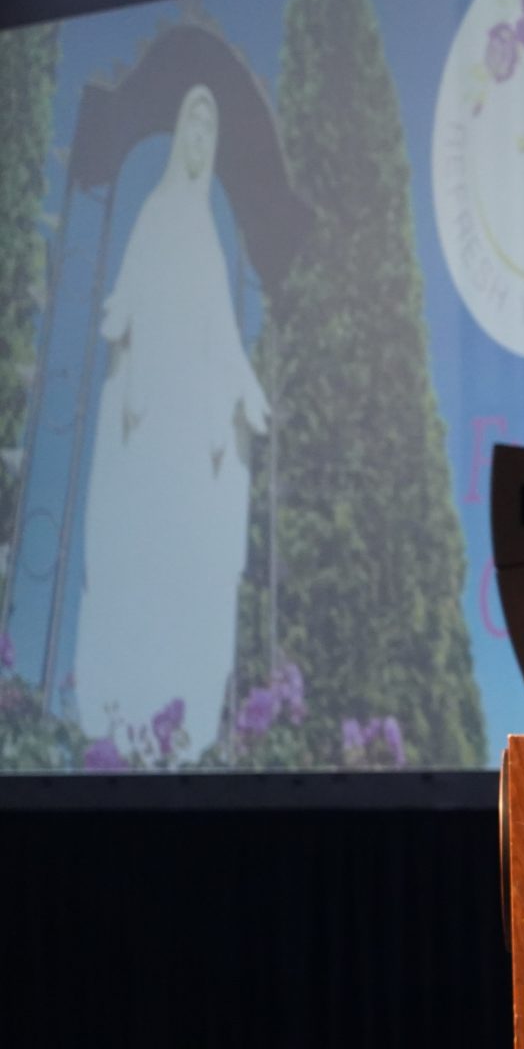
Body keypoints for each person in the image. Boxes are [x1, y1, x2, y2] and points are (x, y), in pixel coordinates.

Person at [74, 83, 269, 761]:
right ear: (178, 134)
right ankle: (127, 709)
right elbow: (128, 306)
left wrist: (243, 388)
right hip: (153, 416)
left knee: (185, 564)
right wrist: (127, 355)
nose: (198, 141)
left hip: (192, 426)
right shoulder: (158, 213)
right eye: (193, 126)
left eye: (208, 132)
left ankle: (173, 719)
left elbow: (221, 335)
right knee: (141, 558)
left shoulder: (213, 242)